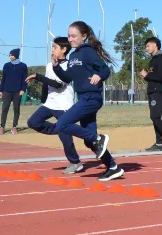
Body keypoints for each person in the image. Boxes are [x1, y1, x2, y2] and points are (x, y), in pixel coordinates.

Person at [52, 21, 123, 181]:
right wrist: (56, 67)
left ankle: (99, 139)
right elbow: (68, 78)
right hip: (84, 97)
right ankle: (112, 167)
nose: (70, 39)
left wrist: (99, 76)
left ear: (84, 36)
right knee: (89, 141)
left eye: (73, 36)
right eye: (69, 36)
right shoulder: (73, 55)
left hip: (92, 97)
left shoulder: (87, 52)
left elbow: (105, 69)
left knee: (62, 124)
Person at [25, 37, 83, 170]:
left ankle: (75, 162)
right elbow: (47, 83)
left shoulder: (68, 66)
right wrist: (43, 100)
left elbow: (58, 84)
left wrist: (37, 76)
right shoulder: (48, 65)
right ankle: (61, 128)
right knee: (33, 122)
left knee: (65, 138)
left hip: (63, 105)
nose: (52, 50)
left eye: (55, 47)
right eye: (52, 47)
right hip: (50, 103)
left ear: (64, 49)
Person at [140, 36, 162, 150]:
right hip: (152, 90)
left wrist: (147, 75)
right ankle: (159, 142)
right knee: (154, 116)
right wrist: (146, 76)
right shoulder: (153, 59)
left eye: (148, 45)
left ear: (155, 45)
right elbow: (153, 76)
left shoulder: (161, 58)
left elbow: (161, 76)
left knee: (155, 116)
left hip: (158, 91)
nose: (146, 48)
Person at [0, 48, 28, 134]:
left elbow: (25, 79)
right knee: (4, 109)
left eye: (12, 55)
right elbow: (3, 79)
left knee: (16, 110)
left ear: (16, 55)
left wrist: (23, 89)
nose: (10, 56)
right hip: (7, 91)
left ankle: (14, 127)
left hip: (18, 92)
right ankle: (2, 127)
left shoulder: (23, 66)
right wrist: (1, 90)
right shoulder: (6, 66)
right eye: (10, 55)